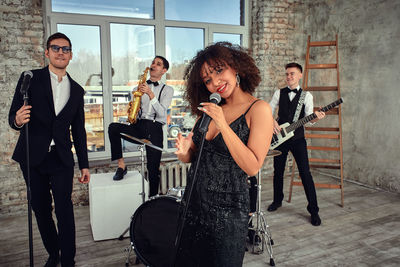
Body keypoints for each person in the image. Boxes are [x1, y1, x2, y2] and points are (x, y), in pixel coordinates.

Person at [174, 42, 273, 267]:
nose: (215, 82)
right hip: (193, 206)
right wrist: (183, 152)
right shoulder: (209, 109)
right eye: (207, 80)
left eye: (219, 71)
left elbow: (253, 166)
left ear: (236, 67)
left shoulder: (258, 109)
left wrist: (223, 124)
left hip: (226, 216)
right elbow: (194, 157)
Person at [8, 32, 90, 267]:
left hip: (61, 158)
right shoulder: (30, 78)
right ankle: (54, 254)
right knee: (41, 209)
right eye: (55, 48)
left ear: (71, 55)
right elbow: (13, 116)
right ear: (47, 52)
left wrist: (84, 164)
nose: (60, 52)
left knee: (64, 211)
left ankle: (68, 260)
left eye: (65, 49)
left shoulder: (77, 91)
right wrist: (17, 120)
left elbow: (80, 131)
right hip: (32, 156)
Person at [267, 62, 325, 226]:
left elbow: (309, 119)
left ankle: (314, 210)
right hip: (280, 138)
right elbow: (267, 110)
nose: (289, 77)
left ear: (300, 75)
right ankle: (277, 200)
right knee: (278, 171)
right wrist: (271, 121)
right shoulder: (279, 93)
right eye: (287, 74)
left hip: (298, 139)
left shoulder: (307, 96)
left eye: (292, 74)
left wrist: (315, 118)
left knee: (305, 174)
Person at [108, 56, 173, 197]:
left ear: (164, 70)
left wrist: (150, 94)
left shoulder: (168, 90)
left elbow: (162, 114)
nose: (153, 65)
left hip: (155, 129)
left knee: (153, 170)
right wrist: (132, 111)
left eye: (158, 64)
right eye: (153, 63)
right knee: (113, 127)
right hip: (139, 126)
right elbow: (136, 113)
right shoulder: (137, 88)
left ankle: (152, 202)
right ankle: (121, 165)